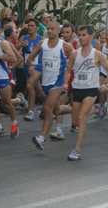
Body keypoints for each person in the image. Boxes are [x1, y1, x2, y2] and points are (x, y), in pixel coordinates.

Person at [63, 25, 108, 160]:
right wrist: (65, 83)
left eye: (84, 35)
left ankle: (76, 150)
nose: (81, 37)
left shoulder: (97, 54)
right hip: (77, 89)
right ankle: (97, 109)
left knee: (81, 118)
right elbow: (68, 70)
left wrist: (105, 85)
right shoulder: (74, 54)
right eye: (79, 35)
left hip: (91, 90)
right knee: (75, 121)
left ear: (91, 36)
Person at [27, 21, 73, 150]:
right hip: (45, 82)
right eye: (48, 29)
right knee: (57, 110)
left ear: (59, 31)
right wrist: (31, 67)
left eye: (52, 29)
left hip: (57, 83)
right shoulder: (42, 44)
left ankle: (42, 138)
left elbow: (76, 59)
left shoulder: (65, 46)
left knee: (47, 108)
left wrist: (68, 77)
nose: (49, 31)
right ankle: (77, 110)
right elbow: (29, 59)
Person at [16, 18, 45, 121]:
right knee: (39, 91)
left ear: (37, 28)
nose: (30, 27)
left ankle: (30, 111)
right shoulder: (23, 38)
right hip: (27, 67)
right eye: (29, 25)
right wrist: (20, 45)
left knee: (29, 86)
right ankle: (50, 105)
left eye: (32, 26)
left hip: (37, 67)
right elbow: (14, 49)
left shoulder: (41, 40)